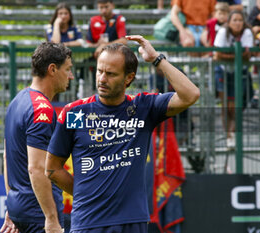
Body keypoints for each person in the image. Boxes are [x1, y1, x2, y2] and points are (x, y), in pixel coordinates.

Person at [45, 35, 200, 233]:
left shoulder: (143, 107)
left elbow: (191, 95)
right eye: (100, 71)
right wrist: (87, 194)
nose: (102, 79)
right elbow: (52, 169)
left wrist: (156, 59)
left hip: (132, 222)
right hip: (88, 222)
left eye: (110, 74)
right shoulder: (75, 113)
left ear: (128, 78)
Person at [0, 42, 74, 233]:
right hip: (38, 215)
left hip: (20, 210)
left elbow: (7, 157)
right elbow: (36, 168)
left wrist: (11, 205)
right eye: (67, 69)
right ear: (52, 69)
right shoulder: (42, 109)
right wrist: (50, 218)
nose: (71, 76)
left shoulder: (17, 101)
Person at [213, 10, 254, 149]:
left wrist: (230, 56)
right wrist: (238, 56)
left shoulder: (247, 33)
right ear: (229, 22)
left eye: (240, 20)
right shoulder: (222, 32)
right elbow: (217, 55)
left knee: (236, 107)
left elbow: (248, 55)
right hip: (222, 71)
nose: (237, 23)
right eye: (234, 20)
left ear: (244, 23)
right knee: (225, 106)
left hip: (239, 72)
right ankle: (228, 137)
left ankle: (234, 134)